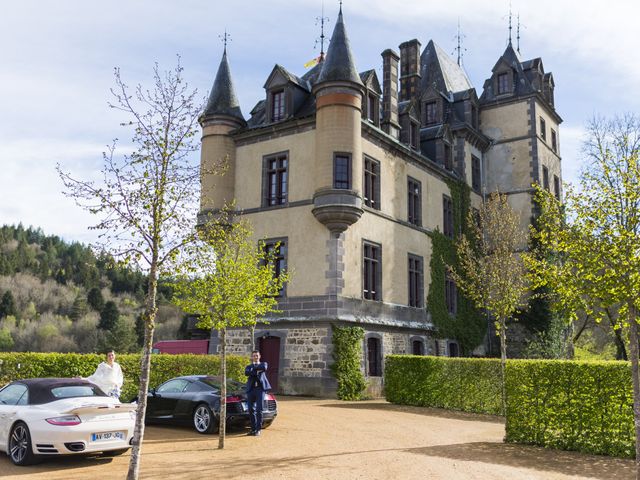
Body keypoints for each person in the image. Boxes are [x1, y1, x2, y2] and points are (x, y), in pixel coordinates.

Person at [245, 350, 271, 436]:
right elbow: (246, 373)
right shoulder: (248, 366)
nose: (255, 357)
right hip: (251, 389)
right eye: (254, 356)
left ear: (259, 356)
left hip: (260, 389)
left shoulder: (264, 364)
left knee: (259, 409)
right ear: (252, 357)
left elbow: (264, 368)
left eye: (257, 355)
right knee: (250, 409)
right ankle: (253, 429)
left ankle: (258, 429)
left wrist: (254, 370)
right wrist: (256, 370)